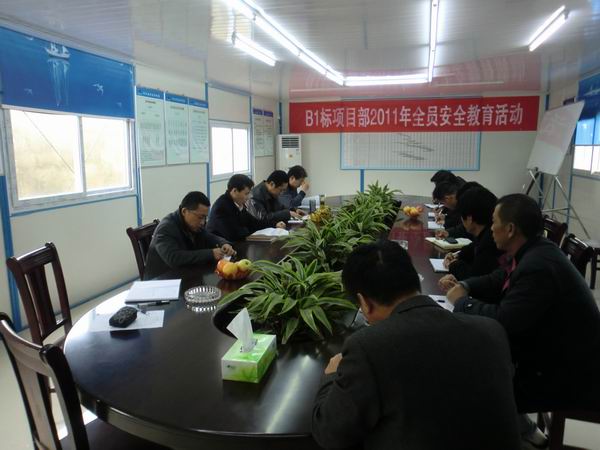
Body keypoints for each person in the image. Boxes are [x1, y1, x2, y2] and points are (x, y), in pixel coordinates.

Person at [312, 240, 521, 450]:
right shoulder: (492, 331)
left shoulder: (368, 348)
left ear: (364, 303)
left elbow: (330, 434)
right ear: (414, 281)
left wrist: (332, 376)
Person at [443, 194, 600, 442]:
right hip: (552, 353)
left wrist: (463, 302)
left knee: (474, 377)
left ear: (510, 229)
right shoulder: (533, 249)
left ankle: (512, 436)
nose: (491, 227)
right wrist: (466, 285)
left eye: (494, 222)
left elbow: (504, 321)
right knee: (479, 359)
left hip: (568, 374)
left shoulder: (538, 266)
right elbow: (499, 278)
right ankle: (524, 433)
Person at [144, 191, 235, 280]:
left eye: (205, 217)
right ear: (184, 211)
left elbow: (208, 236)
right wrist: (210, 253)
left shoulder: (192, 225)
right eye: (200, 217)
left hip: (185, 274)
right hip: (161, 282)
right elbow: (174, 258)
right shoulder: (166, 228)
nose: (203, 222)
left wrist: (223, 243)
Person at [439, 186, 504, 280]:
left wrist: (453, 265)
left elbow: (473, 277)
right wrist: (458, 255)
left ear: (469, 219)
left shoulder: (490, 241)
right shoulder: (485, 233)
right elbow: (473, 246)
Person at [207, 174, 286, 242]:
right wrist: (248, 229)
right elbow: (234, 234)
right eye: (246, 194)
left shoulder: (238, 203)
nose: (248, 197)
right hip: (222, 248)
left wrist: (274, 224)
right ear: (234, 191)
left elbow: (254, 222)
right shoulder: (222, 207)